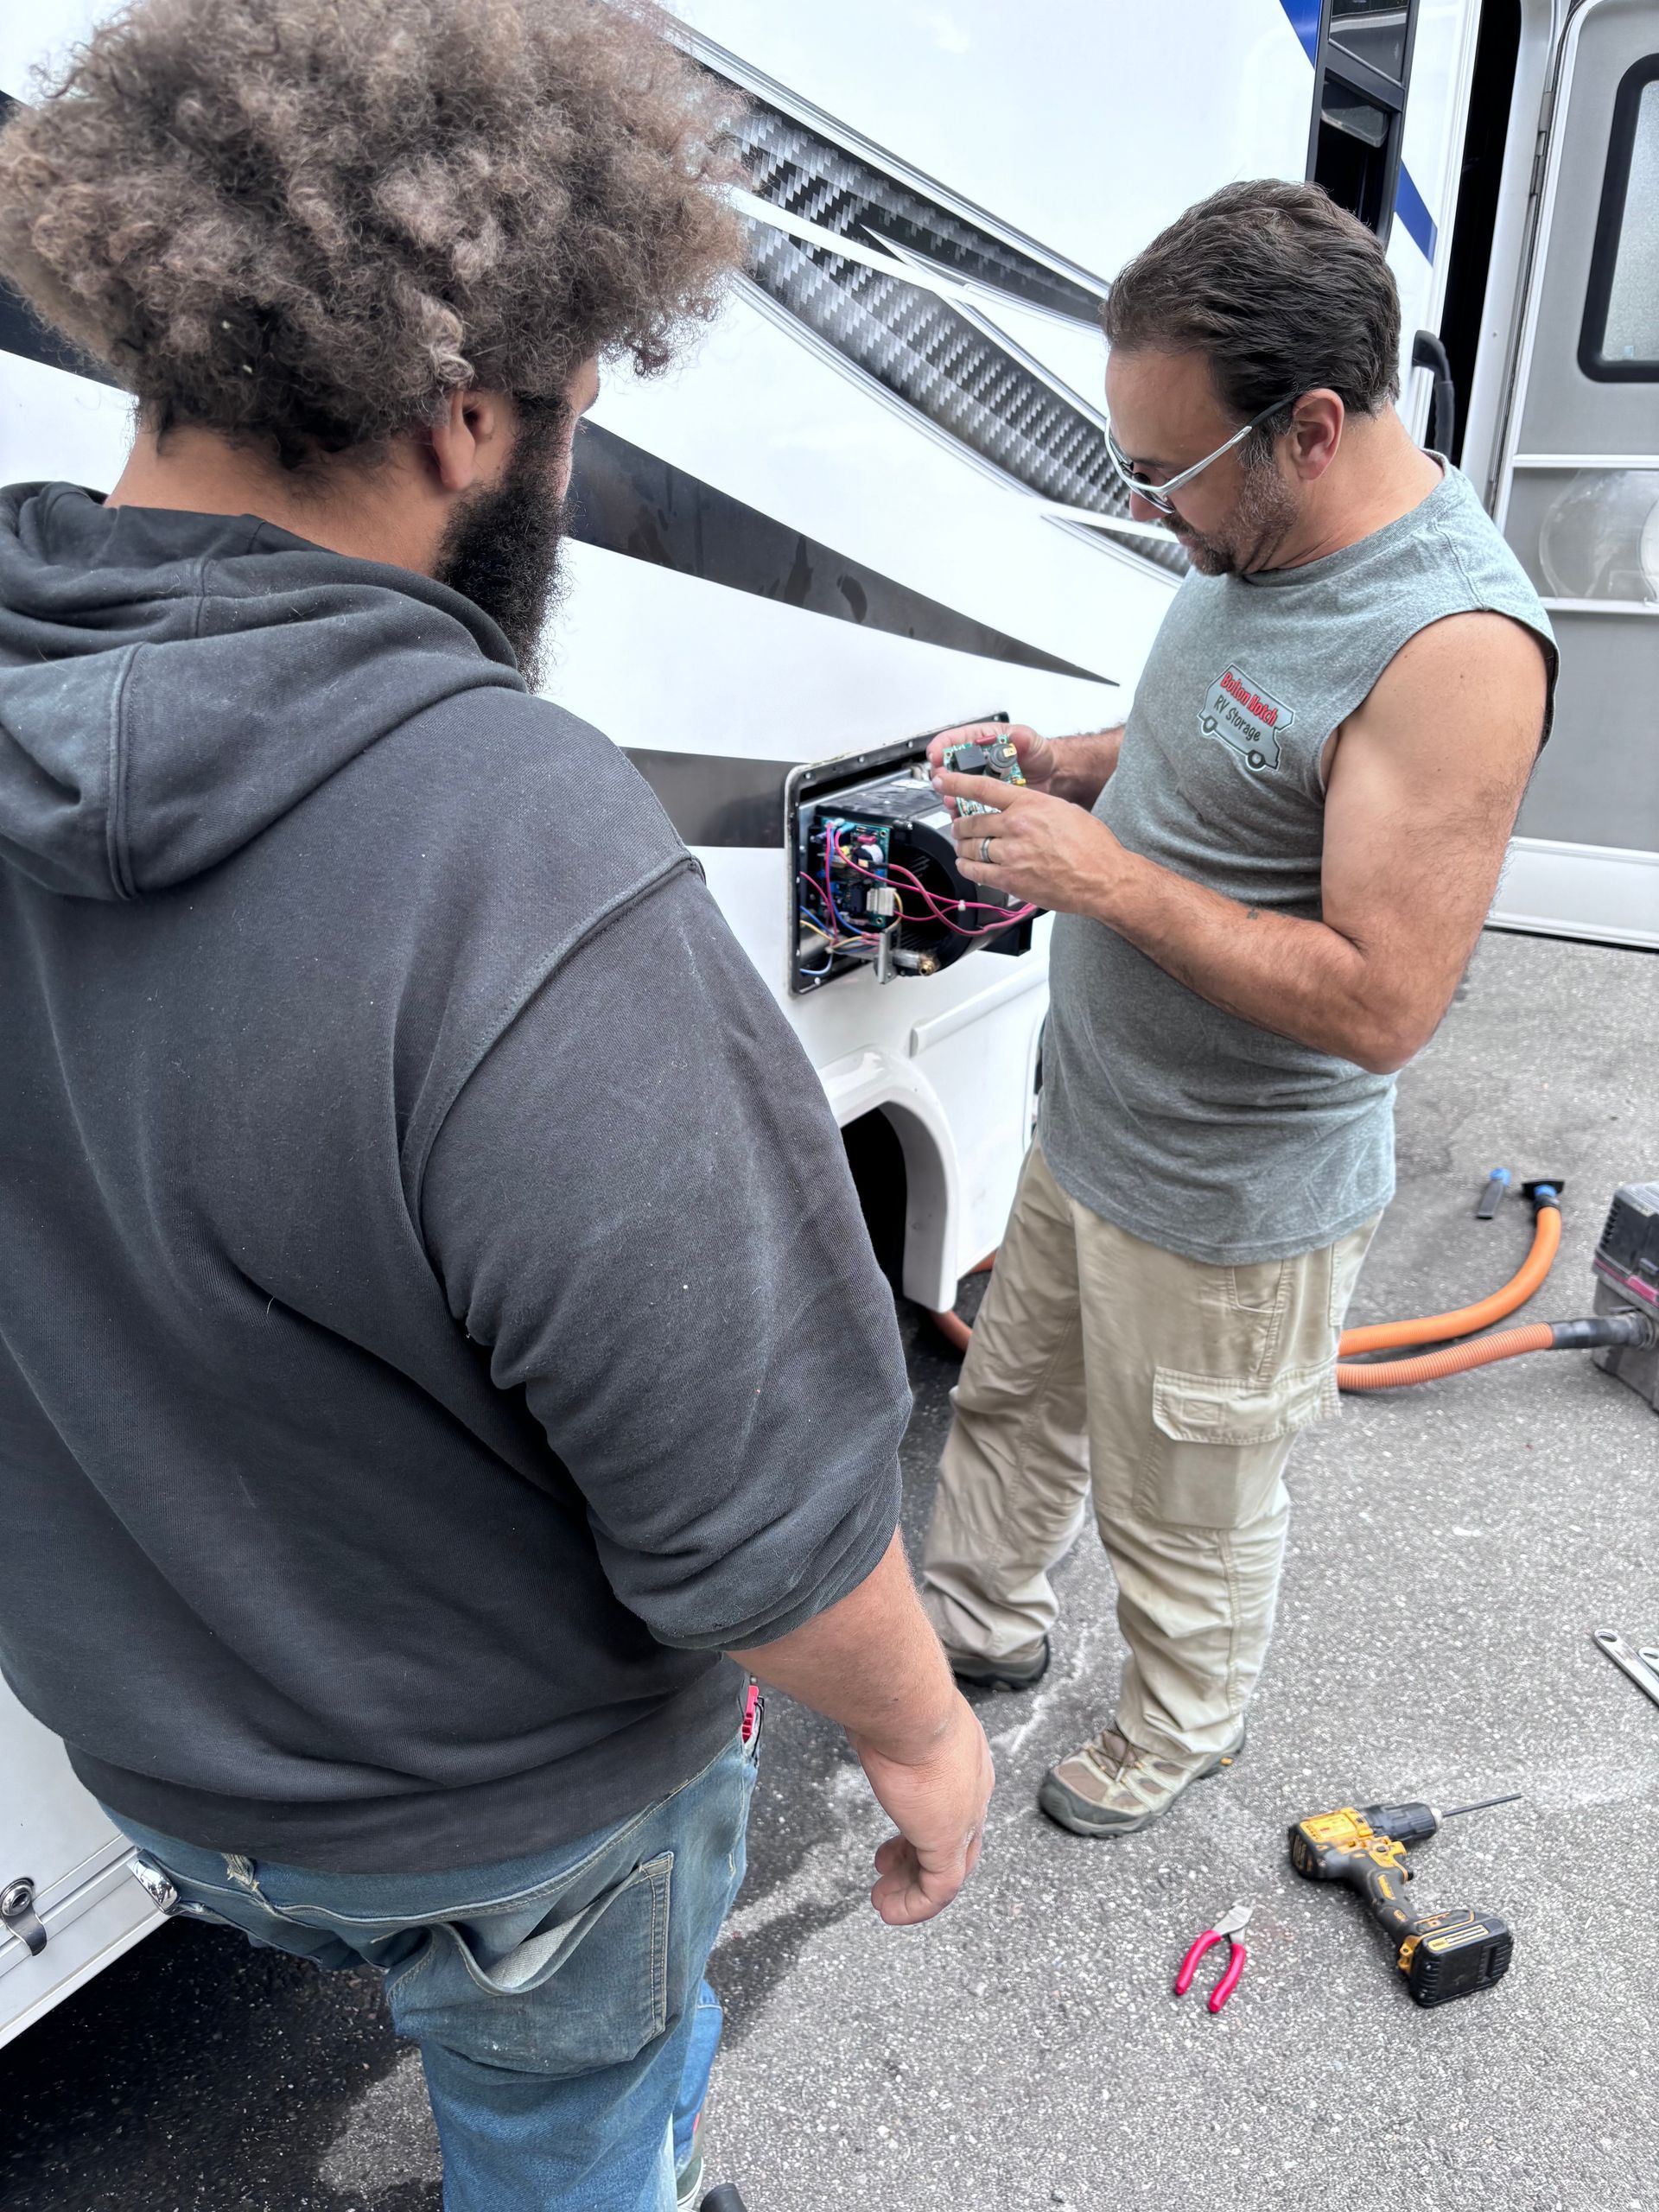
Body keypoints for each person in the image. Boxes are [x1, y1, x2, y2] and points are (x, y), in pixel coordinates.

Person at [0, 5, 992, 2207]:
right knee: (570, 2133)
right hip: (513, 1818)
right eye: (567, 420)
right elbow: (755, 1498)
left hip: (153, 1756)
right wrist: (922, 1735)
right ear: (471, 416)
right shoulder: (507, 835)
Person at [918, 181, 1553, 1842]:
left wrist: (1105, 881)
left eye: (1166, 476)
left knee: (1185, 1504)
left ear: (1314, 429)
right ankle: (973, 1623)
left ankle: (1183, 1725)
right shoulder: (1263, 527)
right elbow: (1230, 750)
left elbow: (1383, 1004)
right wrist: (1074, 767)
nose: (1153, 515)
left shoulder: (1449, 648)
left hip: (1229, 1203)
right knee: (1013, 1399)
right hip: (1097, 1123)